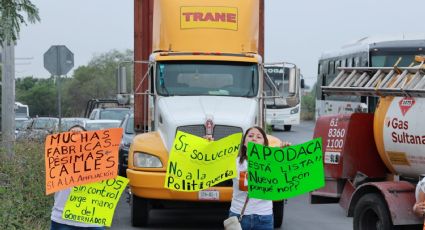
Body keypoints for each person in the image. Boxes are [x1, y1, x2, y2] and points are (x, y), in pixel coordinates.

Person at [227, 126, 290, 230]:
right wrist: (207, 145)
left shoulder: (272, 163)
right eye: (250, 136)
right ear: (244, 142)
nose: (254, 138)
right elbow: (211, 163)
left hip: (264, 218)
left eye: (259, 137)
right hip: (238, 216)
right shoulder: (234, 162)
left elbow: (285, 176)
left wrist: (285, 153)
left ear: (264, 143)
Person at [50, 125, 105, 230]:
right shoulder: (59, 160)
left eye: (81, 137)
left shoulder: (98, 162)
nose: (76, 139)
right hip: (62, 220)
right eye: (72, 137)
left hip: (92, 221)